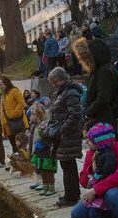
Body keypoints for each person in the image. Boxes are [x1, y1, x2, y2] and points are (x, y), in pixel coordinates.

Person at [76, 123, 118, 218]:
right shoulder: (99, 153)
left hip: (102, 191)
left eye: (90, 140)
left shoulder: (109, 156)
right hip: (96, 188)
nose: (87, 142)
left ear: (100, 142)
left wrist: (96, 180)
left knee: (96, 213)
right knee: (91, 212)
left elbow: (107, 174)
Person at [47, 67, 83, 206]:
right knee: (67, 166)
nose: (53, 84)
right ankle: (71, 194)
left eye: (54, 81)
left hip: (68, 135)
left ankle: (72, 197)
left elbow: (74, 115)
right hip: (64, 135)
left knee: (69, 166)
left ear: (61, 79)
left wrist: (62, 130)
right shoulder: (64, 91)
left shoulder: (70, 92)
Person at [72, 38, 118, 129]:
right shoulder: (99, 69)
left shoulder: (104, 70)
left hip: (103, 120)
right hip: (99, 118)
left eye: (85, 57)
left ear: (94, 55)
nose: (82, 61)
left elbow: (103, 98)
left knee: (103, 142)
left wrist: (88, 112)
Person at [31, 104, 57, 196]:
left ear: (39, 114)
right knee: (42, 169)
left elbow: (46, 137)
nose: (31, 116)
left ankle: (51, 188)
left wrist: (42, 133)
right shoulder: (36, 124)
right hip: (40, 151)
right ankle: (45, 187)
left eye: (33, 114)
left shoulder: (45, 124)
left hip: (47, 151)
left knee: (48, 171)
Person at [0, 75, 29, 154]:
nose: (0, 86)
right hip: (8, 124)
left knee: (20, 144)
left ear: (6, 83)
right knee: (13, 144)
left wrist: (13, 114)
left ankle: (22, 162)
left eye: (1, 84)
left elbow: (22, 103)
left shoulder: (14, 91)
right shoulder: (3, 94)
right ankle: (16, 162)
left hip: (17, 122)